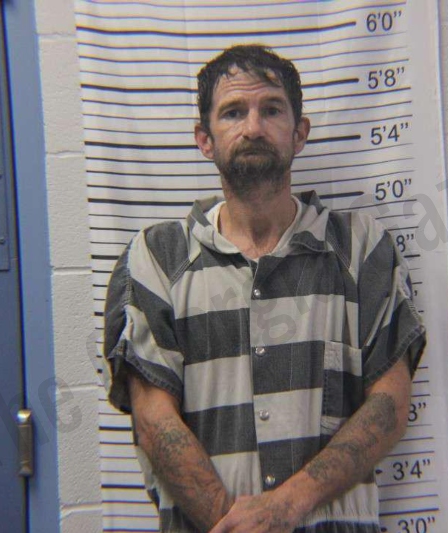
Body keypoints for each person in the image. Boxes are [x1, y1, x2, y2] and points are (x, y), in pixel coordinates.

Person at [104, 44, 426, 533]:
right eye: (233, 112)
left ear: (299, 133)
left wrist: (286, 507)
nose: (253, 127)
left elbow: (390, 406)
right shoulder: (156, 258)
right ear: (204, 139)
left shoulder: (361, 248)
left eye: (271, 110)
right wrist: (237, 524)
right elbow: (153, 421)